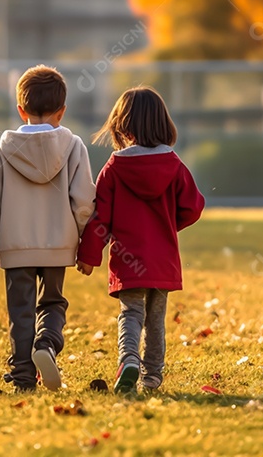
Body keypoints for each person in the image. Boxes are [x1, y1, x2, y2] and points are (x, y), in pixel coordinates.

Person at [76, 87, 205, 393]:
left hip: (127, 261)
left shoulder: (113, 169)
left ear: (122, 125)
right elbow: (193, 207)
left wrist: (89, 256)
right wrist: (167, 228)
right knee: (156, 320)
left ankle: (129, 359)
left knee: (131, 314)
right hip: (163, 260)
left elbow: (100, 220)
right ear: (163, 123)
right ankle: (152, 376)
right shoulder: (174, 165)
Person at [0, 65, 96, 392]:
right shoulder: (74, 147)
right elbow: (84, 200)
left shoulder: (1, 152)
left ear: (20, 109)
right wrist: (83, 236)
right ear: (62, 112)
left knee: (20, 311)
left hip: (15, 247)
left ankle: (23, 377)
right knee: (53, 303)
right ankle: (47, 344)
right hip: (59, 243)